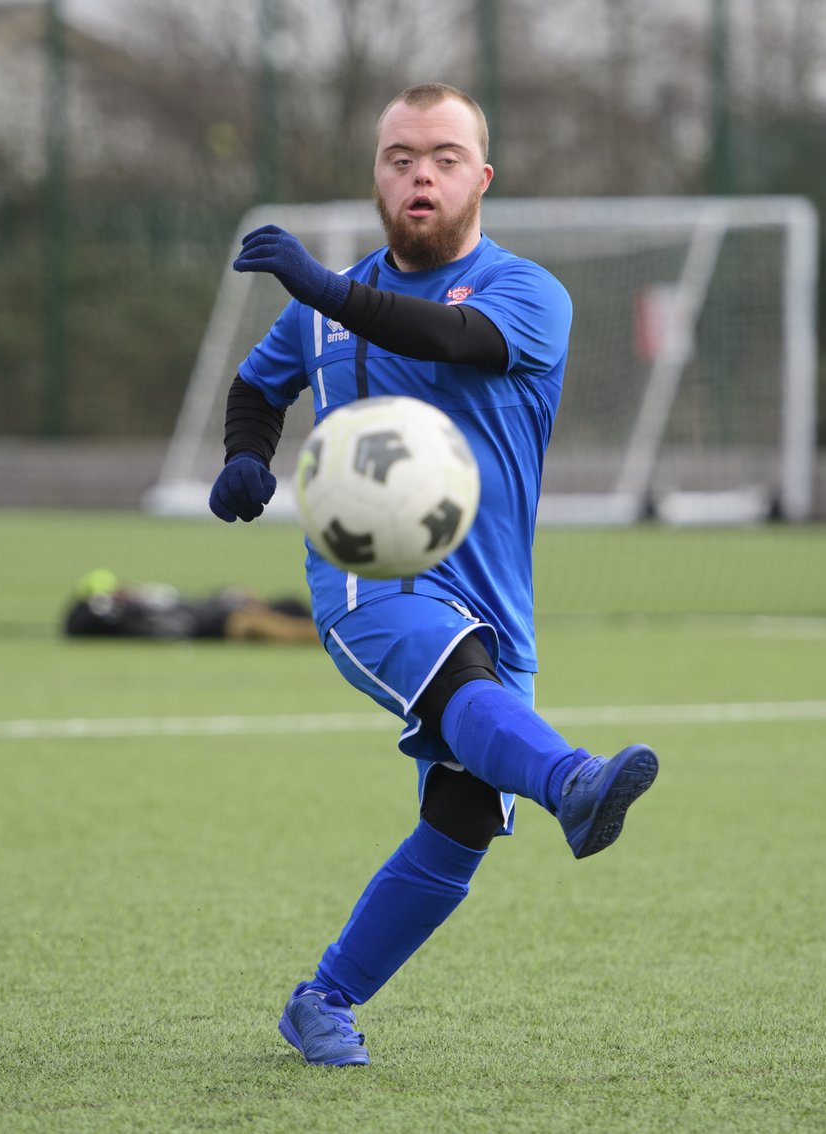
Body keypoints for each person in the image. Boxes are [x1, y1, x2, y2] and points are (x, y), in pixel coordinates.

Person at [208, 83, 658, 1068]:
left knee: (456, 829)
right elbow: (257, 383)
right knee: (458, 686)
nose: (421, 172)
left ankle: (321, 999)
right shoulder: (323, 314)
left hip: (495, 600)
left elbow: (448, 338)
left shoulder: (528, 292)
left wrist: (323, 288)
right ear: (377, 175)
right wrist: (246, 457)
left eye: (444, 156)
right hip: (370, 583)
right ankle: (572, 782)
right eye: (401, 155)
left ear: (480, 177)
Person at [62, 569, 317, 643]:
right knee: (256, 623)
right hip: (217, 623)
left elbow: (191, 601)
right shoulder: (128, 616)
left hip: (218, 607)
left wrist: (227, 595)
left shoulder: (148, 596)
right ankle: (329, 638)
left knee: (289, 603)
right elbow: (79, 621)